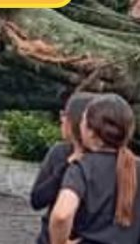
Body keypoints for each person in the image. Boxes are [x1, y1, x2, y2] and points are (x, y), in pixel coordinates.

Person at [50, 93, 140, 244]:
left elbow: (62, 215)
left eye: (83, 120)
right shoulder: (136, 165)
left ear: (91, 132)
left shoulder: (82, 167)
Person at [31, 91, 97, 244]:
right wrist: (66, 166)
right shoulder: (59, 152)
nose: (61, 118)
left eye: (65, 114)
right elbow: (37, 200)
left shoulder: (106, 159)